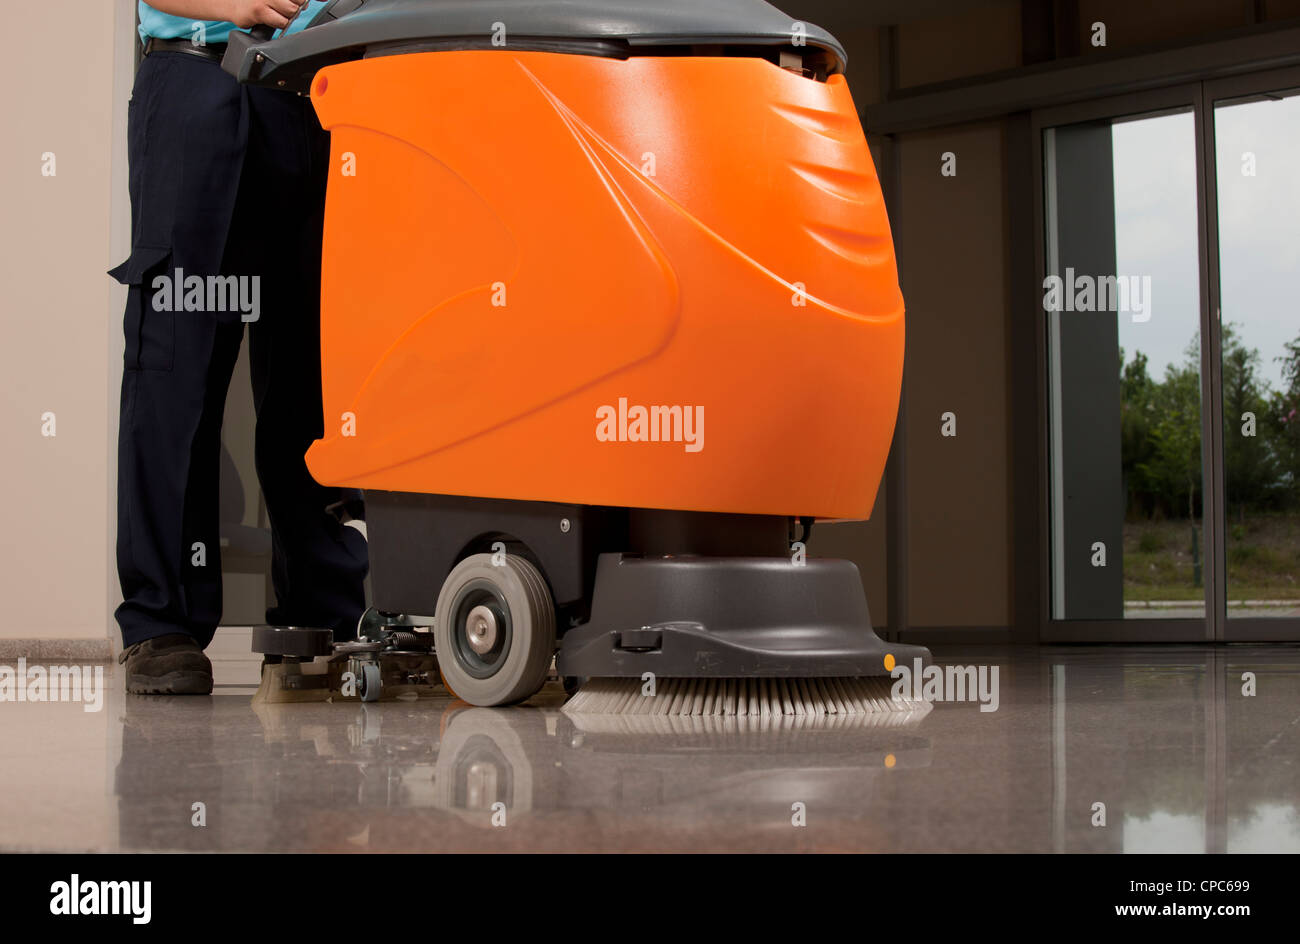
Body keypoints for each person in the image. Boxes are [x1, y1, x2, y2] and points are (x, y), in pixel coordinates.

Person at [111, 0, 367, 694]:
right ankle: (161, 623)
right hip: (199, 83)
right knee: (176, 365)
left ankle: (322, 613)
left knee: (309, 370)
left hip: (313, 95)